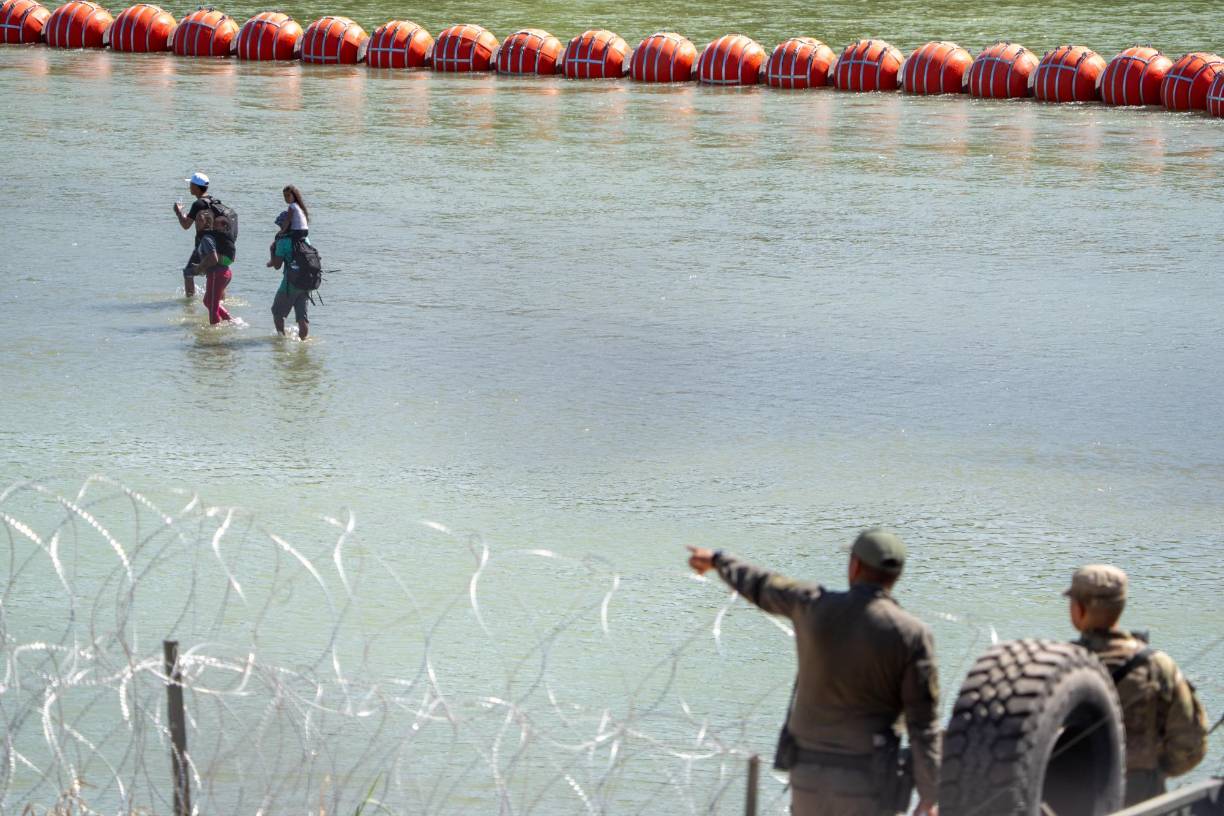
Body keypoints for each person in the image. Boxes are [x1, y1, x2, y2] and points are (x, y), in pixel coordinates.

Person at [686, 529, 940, 816]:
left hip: (808, 777)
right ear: (896, 576)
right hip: (868, 783)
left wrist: (719, 560)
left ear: (854, 566)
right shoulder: (912, 635)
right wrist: (930, 796)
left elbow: (762, 585)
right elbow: (923, 726)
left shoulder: (812, 605)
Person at [1065, 564, 1208, 806]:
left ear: (1078, 610)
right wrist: (1154, 772)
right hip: (1142, 797)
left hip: (1067, 794)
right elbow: (1190, 744)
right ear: (1121, 605)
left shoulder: (1060, 663)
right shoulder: (1158, 666)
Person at [269, 185, 311, 339]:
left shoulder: (283, 241)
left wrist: (272, 251)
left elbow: (277, 265)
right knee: (302, 319)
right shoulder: (305, 239)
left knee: (277, 313)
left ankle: (281, 340)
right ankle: (303, 345)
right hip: (306, 283)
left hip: (290, 284)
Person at [172, 171, 212, 297]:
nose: (189, 187)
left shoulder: (198, 204)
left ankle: (189, 305)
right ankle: (220, 300)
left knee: (188, 273)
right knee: (213, 274)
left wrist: (179, 212)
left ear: (196, 187)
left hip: (202, 246)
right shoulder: (213, 201)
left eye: (191, 184)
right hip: (216, 245)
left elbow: (186, 225)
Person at [191, 209, 234, 325]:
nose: (196, 222)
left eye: (200, 220)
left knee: (212, 307)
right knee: (207, 302)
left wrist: (199, 268)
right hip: (222, 272)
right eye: (196, 220)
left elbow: (213, 258)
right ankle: (230, 320)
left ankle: (213, 340)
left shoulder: (207, 238)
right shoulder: (208, 237)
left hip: (218, 273)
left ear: (206, 223)